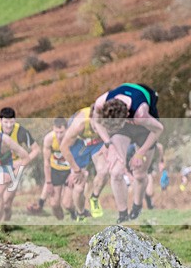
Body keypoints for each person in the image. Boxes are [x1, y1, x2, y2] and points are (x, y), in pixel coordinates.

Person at [91, 83, 163, 223]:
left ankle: (137, 206)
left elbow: (159, 130)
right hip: (123, 129)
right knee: (116, 172)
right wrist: (108, 143)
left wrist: (140, 153)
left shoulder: (140, 114)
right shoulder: (101, 102)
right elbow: (97, 122)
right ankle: (123, 215)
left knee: (140, 174)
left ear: (125, 118)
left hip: (146, 130)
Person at [59, 106, 109, 218]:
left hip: (97, 144)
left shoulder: (109, 120)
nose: (99, 129)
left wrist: (107, 147)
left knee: (104, 171)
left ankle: (94, 198)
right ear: (91, 118)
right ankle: (81, 214)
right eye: (96, 125)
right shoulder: (79, 124)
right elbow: (63, 147)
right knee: (79, 186)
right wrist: (76, 170)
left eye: (102, 125)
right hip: (80, 144)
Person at [0, 108, 40, 221]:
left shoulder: (21, 132)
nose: (9, 125)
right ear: (0, 121)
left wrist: (22, 162)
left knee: (6, 202)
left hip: (16, 167)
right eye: (6, 122)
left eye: (11, 122)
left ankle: (5, 224)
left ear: (15, 120)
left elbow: (36, 150)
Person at [42, 118, 75, 220]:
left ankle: (75, 214)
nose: (59, 135)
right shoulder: (49, 139)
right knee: (54, 204)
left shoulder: (73, 138)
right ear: (53, 129)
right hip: (56, 171)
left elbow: (80, 157)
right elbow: (46, 162)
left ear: (67, 130)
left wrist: (74, 173)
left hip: (70, 170)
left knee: (67, 204)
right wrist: (48, 182)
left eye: (61, 132)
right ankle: (61, 222)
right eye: (56, 132)